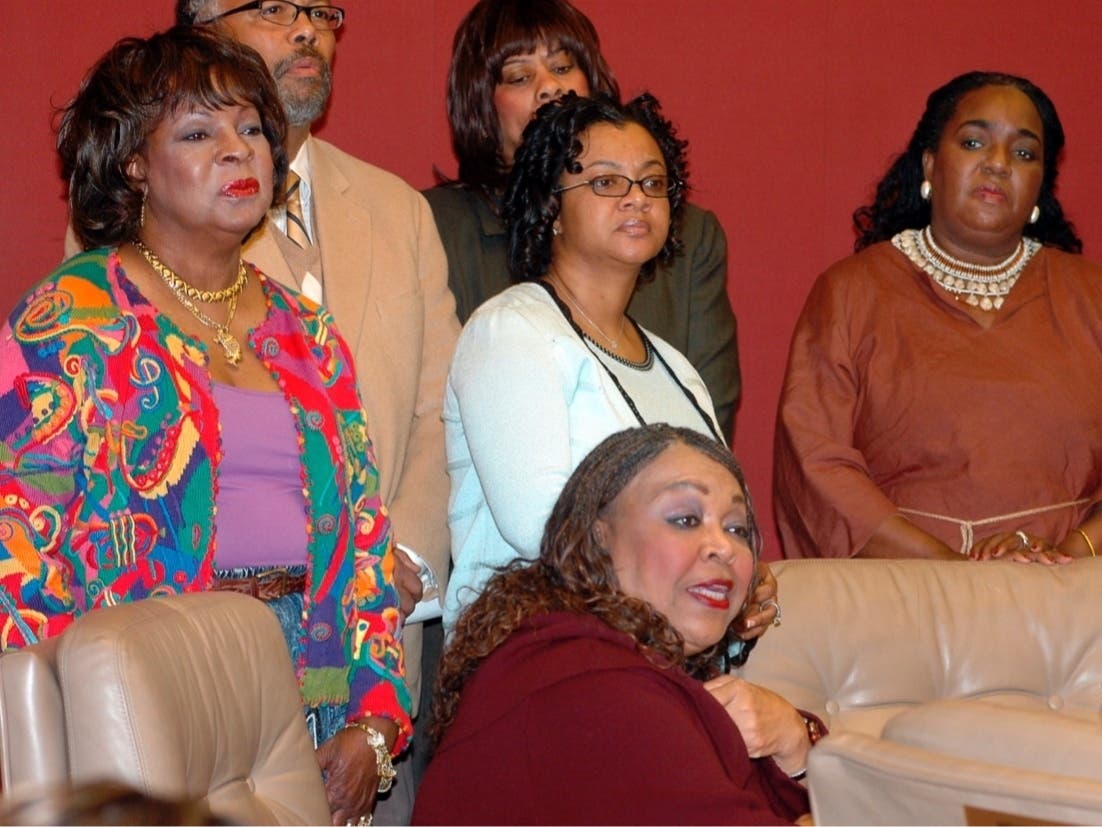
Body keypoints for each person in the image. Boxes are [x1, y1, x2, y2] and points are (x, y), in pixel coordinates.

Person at [3, 27, 407, 825]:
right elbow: (15, 542)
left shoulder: (307, 332)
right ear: (133, 165)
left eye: (252, 129)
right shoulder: (69, 318)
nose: (239, 150)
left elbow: (364, 532)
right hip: (145, 687)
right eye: (198, 132)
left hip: (314, 688)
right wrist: (60, 726)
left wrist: (375, 720)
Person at [443, 92, 783, 639]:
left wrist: (742, 574)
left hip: (662, 662)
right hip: (539, 652)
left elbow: (718, 519)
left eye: (652, 183)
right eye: (605, 182)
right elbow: (546, 530)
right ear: (550, 207)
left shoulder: (678, 369)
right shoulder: (512, 330)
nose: (636, 199)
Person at [774, 70, 1102, 562]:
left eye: (1024, 153)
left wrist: (1068, 559)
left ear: (1041, 186)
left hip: (1076, 603)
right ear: (930, 165)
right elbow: (814, 464)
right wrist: (950, 576)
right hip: (906, 599)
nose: (997, 164)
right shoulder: (850, 292)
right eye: (974, 142)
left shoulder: (1091, 295)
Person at [413, 424, 815, 825]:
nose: (724, 547)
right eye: (686, 519)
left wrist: (795, 741)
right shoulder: (586, 685)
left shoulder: (637, 669)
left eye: (736, 529)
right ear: (597, 536)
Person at [424, 0, 741, 441]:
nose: (548, 88)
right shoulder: (432, 228)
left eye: (562, 67)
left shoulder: (679, 231)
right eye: (520, 76)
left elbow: (709, 414)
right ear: (481, 106)